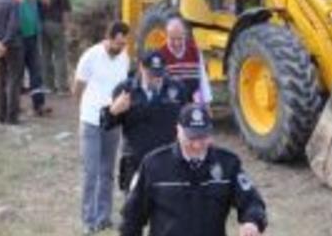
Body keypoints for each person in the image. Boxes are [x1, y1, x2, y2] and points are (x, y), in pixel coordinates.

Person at [120, 104, 268, 236]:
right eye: (191, 138)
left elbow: (252, 202)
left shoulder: (228, 164)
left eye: (203, 137)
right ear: (178, 130)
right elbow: (132, 215)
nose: (197, 145)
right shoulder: (154, 164)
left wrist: (252, 222)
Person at [100, 50, 188, 193]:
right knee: (134, 211)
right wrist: (113, 111)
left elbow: (186, 122)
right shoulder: (125, 89)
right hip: (136, 162)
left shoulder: (177, 89)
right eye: (151, 74)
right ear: (141, 67)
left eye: (159, 74)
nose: (156, 79)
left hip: (168, 161)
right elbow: (106, 124)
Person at [74, 21, 131, 234]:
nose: (120, 48)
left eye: (124, 44)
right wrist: (84, 111)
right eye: (117, 44)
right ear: (108, 38)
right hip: (90, 121)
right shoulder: (91, 56)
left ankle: (103, 217)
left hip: (112, 122)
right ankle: (88, 219)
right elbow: (78, 87)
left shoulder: (124, 58)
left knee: (107, 172)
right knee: (91, 172)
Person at [11, 0, 51, 116]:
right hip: (17, 36)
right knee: (16, 73)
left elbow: (46, 2)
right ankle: (13, 105)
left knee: (36, 71)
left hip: (33, 34)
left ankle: (38, 105)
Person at [159, 17, 213, 105]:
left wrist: (207, 104)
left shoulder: (194, 51)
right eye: (172, 39)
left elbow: (203, 81)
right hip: (171, 105)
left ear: (184, 35)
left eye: (180, 38)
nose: (176, 43)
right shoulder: (161, 55)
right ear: (166, 36)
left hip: (193, 105)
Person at [39, 0, 72, 94]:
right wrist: (66, 24)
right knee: (60, 56)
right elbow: (65, 4)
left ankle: (48, 86)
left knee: (45, 55)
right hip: (56, 22)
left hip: (40, 23)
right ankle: (62, 87)